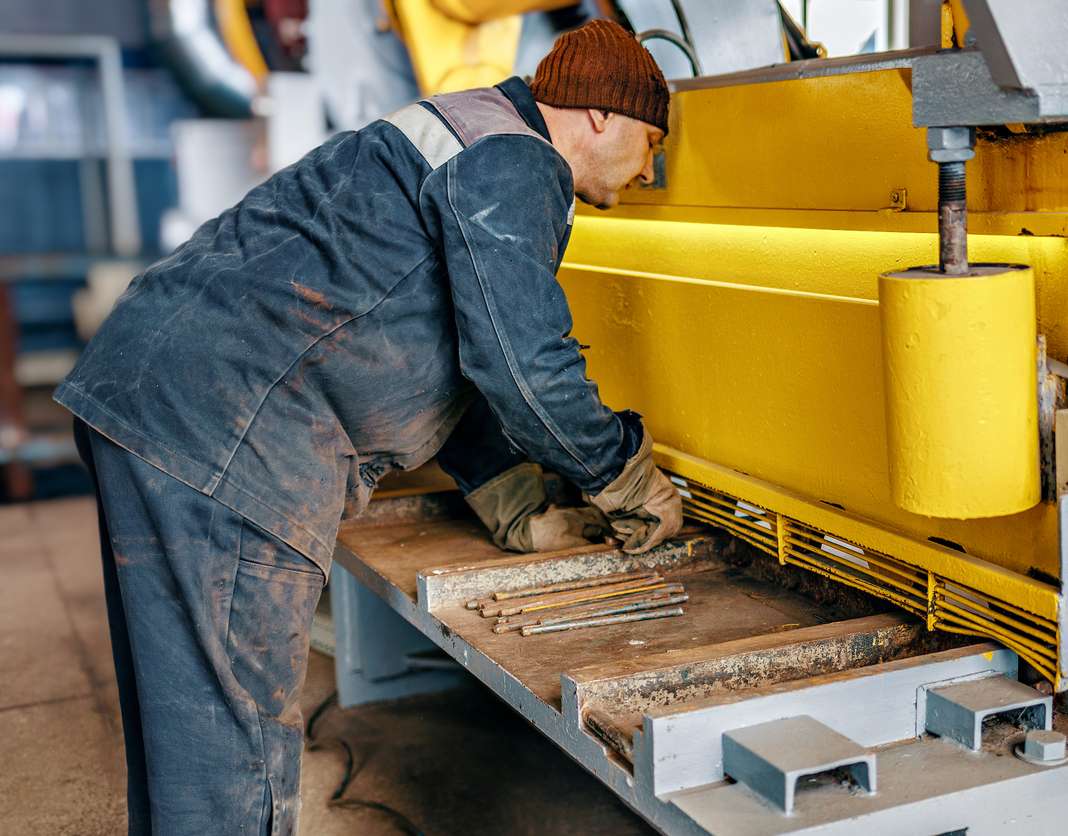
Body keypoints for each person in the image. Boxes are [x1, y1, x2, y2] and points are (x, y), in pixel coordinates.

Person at [55, 19, 683, 835]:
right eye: (651, 141)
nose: (652, 167)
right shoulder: (521, 163)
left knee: (188, 733)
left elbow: (434, 340)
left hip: (151, 389)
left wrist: (514, 502)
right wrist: (622, 471)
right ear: (600, 116)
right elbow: (521, 357)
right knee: (233, 748)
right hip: (230, 433)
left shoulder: (464, 130)